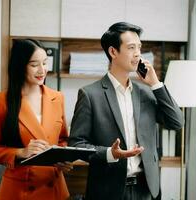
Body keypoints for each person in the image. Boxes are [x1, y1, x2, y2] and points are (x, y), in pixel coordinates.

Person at [68, 22, 184, 200]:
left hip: (145, 190)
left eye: (139, 47)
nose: (138, 53)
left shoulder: (146, 92)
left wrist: (156, 84)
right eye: (131, 47)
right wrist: (109, 153)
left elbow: (176, 122)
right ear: (113, 52)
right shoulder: (90, 94)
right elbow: (77, 145)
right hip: (107, 191)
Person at [0, 39, 71, 200]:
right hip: (19, 191)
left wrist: (60, 157)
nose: (42, 70)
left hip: (55, 189)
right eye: (34, 64)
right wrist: (21, 152)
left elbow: (63, 139)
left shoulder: (57, 97)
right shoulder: (1, 100)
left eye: (45, 63)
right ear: (20, 66)